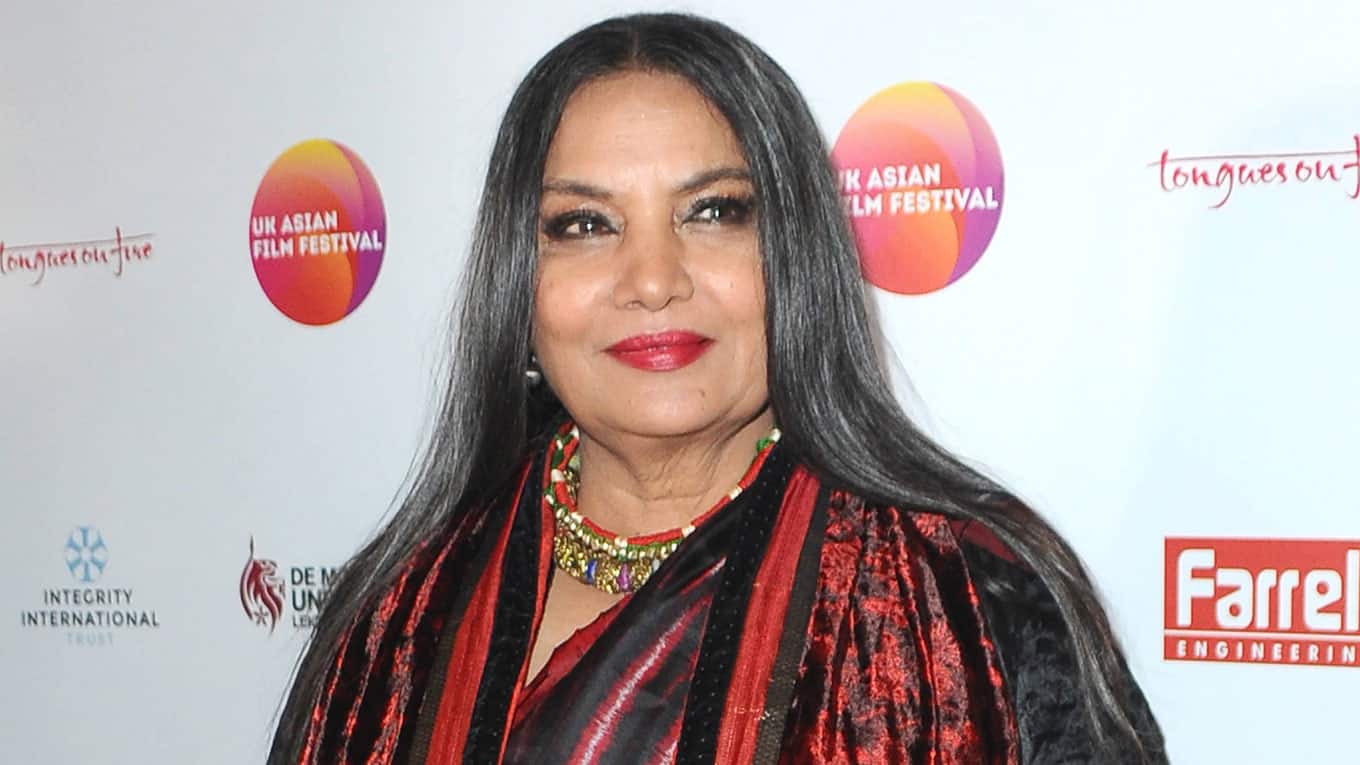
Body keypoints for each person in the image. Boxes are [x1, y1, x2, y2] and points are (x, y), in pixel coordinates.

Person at [269, 12, 1166, 765]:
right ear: (519, 281)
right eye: (584, 224)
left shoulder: (959, 596)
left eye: (714, 211)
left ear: (795, 255)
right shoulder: (398, 612)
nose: (653, 279)